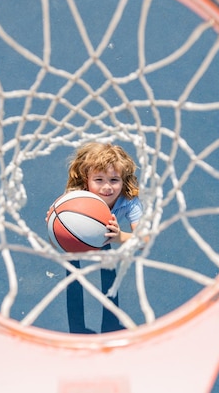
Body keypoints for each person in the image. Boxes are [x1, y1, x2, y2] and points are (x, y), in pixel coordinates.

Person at [64, 142, 143, 333]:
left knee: (107, 261)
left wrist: (119, 237)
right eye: (98, 180)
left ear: (124, 181)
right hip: (81, 225)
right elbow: (58, 219)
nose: (107, 187)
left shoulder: (130, 200)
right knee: (72, 261)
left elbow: (144, 240)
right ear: (86, 181)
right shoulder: (77, 198)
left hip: (110, 231)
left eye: (114, 180)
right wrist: (56, 222)